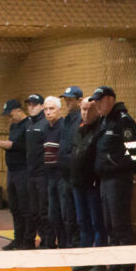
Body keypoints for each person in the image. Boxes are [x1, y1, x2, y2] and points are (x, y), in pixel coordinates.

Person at [91, 85, 136, 271]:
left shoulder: (124, 121)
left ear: (110, 99)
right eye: (96, 101)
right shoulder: (105, 121)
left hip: (118, 181)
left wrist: (120, 168)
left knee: (121, 225)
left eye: (100, 101)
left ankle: (127, 270)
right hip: (106, 180)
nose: (97, 105)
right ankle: (115, 266)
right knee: (110, 226)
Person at [70, 97, 107, 271]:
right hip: (78, 183)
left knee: (97, 223)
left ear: (97, 110)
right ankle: (85, 259)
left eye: (89, 110)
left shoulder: (101, 130)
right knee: (83, 222)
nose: (85, 113)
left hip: (93, 184)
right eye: (83, 110)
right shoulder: (80, 129)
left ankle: (99, 261)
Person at [0, 99, 33, 249]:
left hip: (23, 170)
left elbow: (28, 147)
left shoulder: (28, 125)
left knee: (25, 207)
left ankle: (28, 239)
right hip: (12, 171)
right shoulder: (14, 126)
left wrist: (12, 145)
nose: (10, 119)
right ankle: (17, 238)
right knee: (14, 207)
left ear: (19, 110)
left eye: (11, 115)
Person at [24, 93, 52, 248]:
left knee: (43, 209)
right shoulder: (28, 124)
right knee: (33, 209)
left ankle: (47, 240)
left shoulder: (45, 124)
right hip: (31, 173)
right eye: (29, 105)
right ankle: (36, 238)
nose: (31, 107)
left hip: (42, 174)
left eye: (34, 105)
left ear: (41, 106)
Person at [57, 86, 84, 247]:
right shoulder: (66, 120)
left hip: (76, 175)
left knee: (77, 215)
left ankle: (77, 246)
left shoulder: (81, 120)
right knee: (67, 215)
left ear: (79, 101)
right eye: (65, 99)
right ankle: (68, 245)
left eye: (70, 99)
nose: (67, 102)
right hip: (64, 175)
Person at [42, 96, 67, 248]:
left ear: (59, 110)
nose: (48, 112)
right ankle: (58, 243)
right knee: (53, 214)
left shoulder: (63, 127)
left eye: (51, 109)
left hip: (61, 175)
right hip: (50, 175)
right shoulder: (46, 128)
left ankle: (65, 244)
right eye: (45, 109)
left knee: (64, 213)